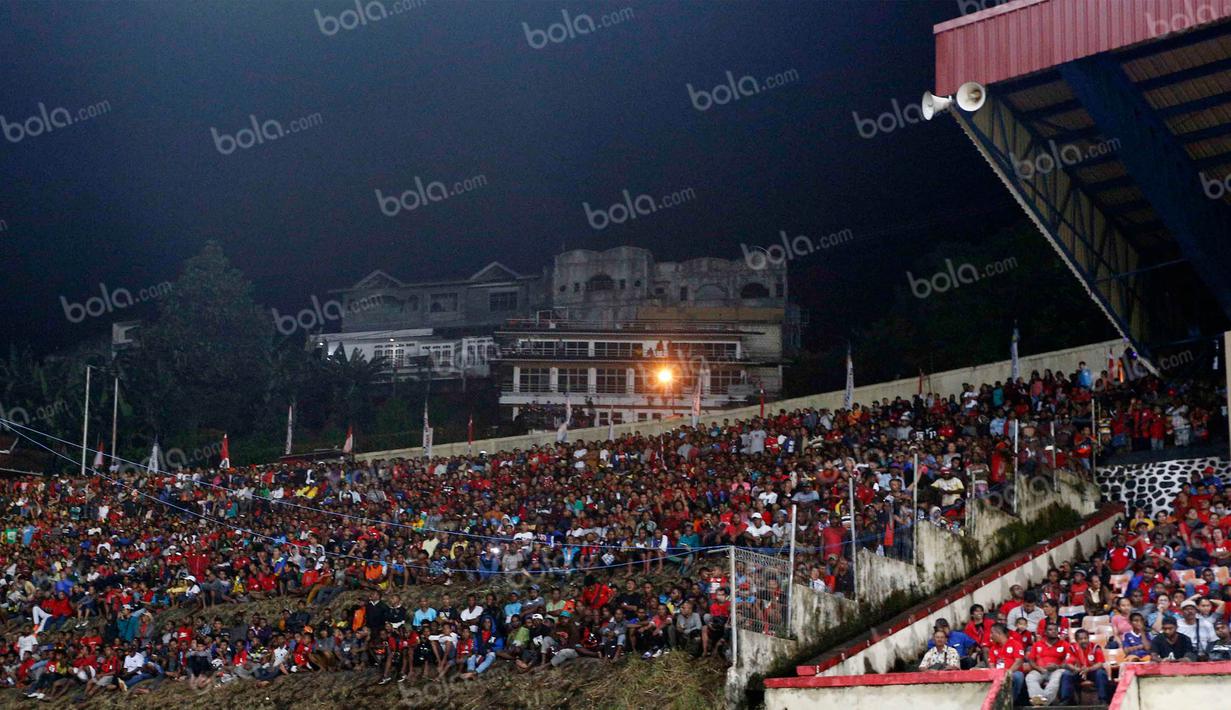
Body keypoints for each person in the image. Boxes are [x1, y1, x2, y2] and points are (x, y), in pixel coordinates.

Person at [1024, 621, 1073, 706]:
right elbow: (1031, 660)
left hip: (1057, 670)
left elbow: (1069, 660)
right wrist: (1039, 668)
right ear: (1045, 632)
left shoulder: (1065, 644)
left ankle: (1044, 701)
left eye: (1055, 630)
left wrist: (1058, 666)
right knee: (1030, 677)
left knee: (1056, 678)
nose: (1053, 631)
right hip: (1040, 670)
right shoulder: (1037, 644)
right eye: (1050, 630)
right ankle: (1039, 698)